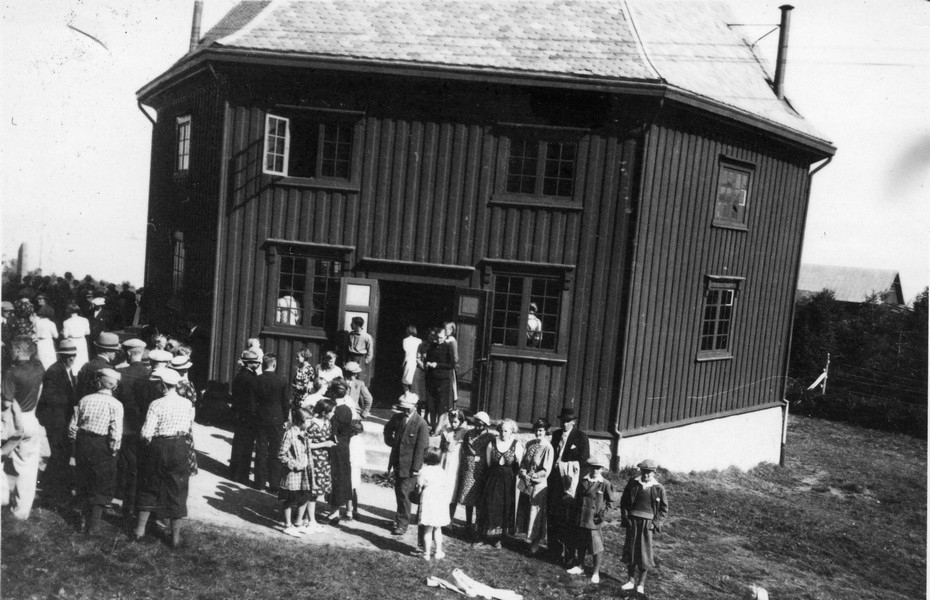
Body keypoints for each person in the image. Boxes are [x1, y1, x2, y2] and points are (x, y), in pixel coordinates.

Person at [133, 368, 196, 548]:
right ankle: (175, 538)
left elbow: (146, 433)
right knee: (178, 488)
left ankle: (139, 530)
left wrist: (147, 445)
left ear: (162, 385)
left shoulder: (156, 404)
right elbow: (188, 424)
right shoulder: (187, 404)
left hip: (159, 445)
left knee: (149, 485)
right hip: (180, 446)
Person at [69, 368, 124, 535]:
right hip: (103, 444)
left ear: (99, 383)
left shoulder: (85, 399)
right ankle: (93, 525)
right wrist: (114, 449)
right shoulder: (116, 404)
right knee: (101, 482)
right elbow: (116, 431)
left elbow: (73, 424)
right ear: (113, 387)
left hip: (84, 442)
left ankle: (84, 519)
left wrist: (75, 440)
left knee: (84, 477)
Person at [1, 335, 46, 520]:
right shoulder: (38, 368)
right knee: (28, 467)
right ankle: (21, 512)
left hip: (13, 421)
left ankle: (2, 497)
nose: (10, 352)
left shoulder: (12, 372)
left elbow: (6, 402)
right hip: (31, 419)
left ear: (19, 350)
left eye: (13, 349)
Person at [36, 339, 79, 501]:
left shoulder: (67, 370)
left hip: (62, 417)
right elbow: (48, 398)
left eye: (74, 355)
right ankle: (52, 488)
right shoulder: (54, 371)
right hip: (55, 419)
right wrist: (70, 400)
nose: (72, 358)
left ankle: (51, 484)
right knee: (60, 452)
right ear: (61, 356)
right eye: (68, 356)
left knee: (61, 453)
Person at [620, 458, 669, 595]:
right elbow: (623, 502)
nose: (646, 475)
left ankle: (641, 584)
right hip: (632, 521)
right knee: (631, 551)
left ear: (654, 472)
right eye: (644, 471)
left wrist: (655, 523)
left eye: (649, 472)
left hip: (647, 524)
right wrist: (625, 517)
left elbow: (664, 509)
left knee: (644, 553)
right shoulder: (633, 483)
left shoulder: (658, 488)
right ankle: (630, 581)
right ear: (640, 471)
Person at [547, 406, 590, 564]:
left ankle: (569, 553)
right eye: (563, 421)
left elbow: (584, 461)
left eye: (568, 422)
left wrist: (566, 468)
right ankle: (553, 552)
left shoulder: (581, 437)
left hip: (570, 484)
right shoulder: (557, 435)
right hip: (555, 481)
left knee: (568, 518)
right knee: (553, 516)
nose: (565, 424)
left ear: (573, 422)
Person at [383, 391, 430, 536]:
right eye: (402, 407)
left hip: (410, 467)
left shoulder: (421, 424)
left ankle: (402, 524)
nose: (404, 410)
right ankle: (399, 519)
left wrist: (416, 468)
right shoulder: (398, 418)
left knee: (405, 494)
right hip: (397, 462)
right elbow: (387, 429)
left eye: (407, 408)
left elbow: (422, 448)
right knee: (399, 492)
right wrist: (390, 441)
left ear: (414, 406)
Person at [116, 338, 151, 527]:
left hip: (126, 425)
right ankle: (134, 504)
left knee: (126, 465)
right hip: (141, 426)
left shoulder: (121, 373)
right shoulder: (149, 374)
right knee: (137, 467)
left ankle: (124, 503)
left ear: (129, 353)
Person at [565, 457, 617, 583]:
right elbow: (578, 497)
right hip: (582, 517)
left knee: (596, 547)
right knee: (581, 543)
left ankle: (595, 572)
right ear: (589, 468)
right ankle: (580, 566)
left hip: (594, 520)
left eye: (598, 468)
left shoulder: (604, 483)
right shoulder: (583, 480)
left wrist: (602, 516)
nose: (595, 470)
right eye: (593, 467)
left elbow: (612, 502)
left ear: (602, 469)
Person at [479, 419, 524, 548]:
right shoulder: (492, 443)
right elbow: (488, 462)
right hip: (493, 479)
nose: (503, 433)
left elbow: (519, 465)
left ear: (511, 432)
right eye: (502, 430)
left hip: (508, 481)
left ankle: (499, 538)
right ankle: (485, 536)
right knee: (489, 505)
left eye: (506, 431)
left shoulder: (516, 445)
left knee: (504, 507)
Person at [517, 417, 555, 555]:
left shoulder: (547, 447)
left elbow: (546, 470)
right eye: (536, 430)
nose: (538, 433)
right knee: (526, 511)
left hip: (538, 485)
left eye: (540, 431)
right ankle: (527, 539)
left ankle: (535, 543)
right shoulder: (529, 444)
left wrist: (532, 477)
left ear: (545, 431)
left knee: (536, 513)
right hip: (526, 483)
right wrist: (523, 473)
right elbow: (522, 462)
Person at [253, 353, 290, 492]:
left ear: (263, 364)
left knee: (261, 449)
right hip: (277, 419)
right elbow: (285, 403)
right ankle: (274, 484)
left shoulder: (256, 380)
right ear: (274, 365)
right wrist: (286, 418)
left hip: (261, 418)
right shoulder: (282, 380)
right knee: (276, 451)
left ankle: (259, 483)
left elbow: (252, 402)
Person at [277, 408, 314, 536]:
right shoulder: (289, 434)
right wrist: (294, 465)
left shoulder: (304, 433)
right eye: (308, 420)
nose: (310, 423)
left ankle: (298, 522)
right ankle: (287, 524)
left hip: (304, 472)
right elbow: (281, 455)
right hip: (293, 472)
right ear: (300, 421)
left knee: (305, 496)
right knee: (290, 499)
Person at [457, 411, 493, 535]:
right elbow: (464, 450)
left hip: (482, 470)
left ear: (486, 425)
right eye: (476, 424)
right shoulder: (469, 434)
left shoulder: (490, 437)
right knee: (467, 496)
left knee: (479, 498)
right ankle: (468, 523)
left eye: (481, 425)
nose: (478, 427)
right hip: (469, 469)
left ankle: (478, 523)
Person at [304, 398, 336, 529]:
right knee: (311, 490)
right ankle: (311, 520)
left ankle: (307, 518)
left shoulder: (328, 423)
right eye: (332, 411)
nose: (333, 414)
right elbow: (306, 444)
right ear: (324, 412)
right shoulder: (310, 423)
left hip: (323, 460)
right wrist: (325, 444)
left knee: (316, 491)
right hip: (313, 460)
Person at [229, 350, 260, 484]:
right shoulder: (249, 378)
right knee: (245, 445)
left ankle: (234, 472)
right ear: (249, 364)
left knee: (239, 443)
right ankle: (241, 475)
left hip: (240, 413)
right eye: (255, 362)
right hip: (247, 414)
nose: (258, 364)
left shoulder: (241, 375)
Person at [328, 378, 356, 522]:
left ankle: (334, 512)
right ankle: (349, 510)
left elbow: (332, 432)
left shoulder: (334, 410)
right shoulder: (347, 409)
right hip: (345, 445)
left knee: (335, 478)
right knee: (345, 477)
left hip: (335, 446)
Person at [417, 447, 450, 560]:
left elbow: (419, 485)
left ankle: (426, 554)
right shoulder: (442, 471)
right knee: (437, 528)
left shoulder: (423, 471)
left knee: (428, 528)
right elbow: (445, 486)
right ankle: (438, 552)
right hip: (439, 500)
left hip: (428, 500)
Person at [423, 327, 455, 433]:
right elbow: (427, 358)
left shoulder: (448, 347)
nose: (439, 339)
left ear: (445, 336)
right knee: (431, 405)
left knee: (441, 406)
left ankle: (437, 429)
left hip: (443, 380)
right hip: (431, 379)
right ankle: (433, 426)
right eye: (437, 337)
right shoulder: (432, 346)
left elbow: (451, 365)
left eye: (441, 337)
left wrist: (437, 365)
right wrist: (427, 363)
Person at [439, 409, 468, 521]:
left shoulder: (465, 433)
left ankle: (449, 518)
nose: (453, 424)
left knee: (453, 490)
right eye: (451, 421)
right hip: (445, 461)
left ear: (461, 421)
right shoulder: (446, 431)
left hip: (456, 463)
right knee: (443, 488)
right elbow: (441, 447)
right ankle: (440, 515)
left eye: (455, 422)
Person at [76, 332, 121, 399]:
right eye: (114, 350)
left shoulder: (86, 365)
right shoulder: (109, 369)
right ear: (107, 351)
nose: (116, 353)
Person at [62, 303, 91, 373]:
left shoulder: (66, 322)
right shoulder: (85, 320)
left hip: (72, 341)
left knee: (75, 361)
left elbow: (65, 335)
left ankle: (75, 375)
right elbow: (88, 332)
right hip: (82, 341)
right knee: (83, 359)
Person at [345, 316, 373, 380]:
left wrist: (365, 362)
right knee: (348, 377)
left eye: (352, 323)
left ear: (357, 325)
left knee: (359, 378)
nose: (350, 325)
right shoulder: (350, 334)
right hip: (350, 358)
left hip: (360, 359)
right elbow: (346, 348)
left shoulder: (367, 337)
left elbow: (370, 352)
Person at [401, 325, 422, 393]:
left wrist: (403, 363)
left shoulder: (405, 340)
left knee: (405, 381)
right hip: (416, 362)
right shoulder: (419, 340)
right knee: (415, 382)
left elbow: (406, 352)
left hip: (409, 361)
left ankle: (407, 396)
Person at [443, 322, 459, 404]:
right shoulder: (445, 339)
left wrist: (453, 364)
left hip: (449, 367)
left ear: (451, 330)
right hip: (444, 366)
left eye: (446, 329)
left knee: (451, 387)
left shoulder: (452, 341)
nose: (444, 331)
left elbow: (455, 357)